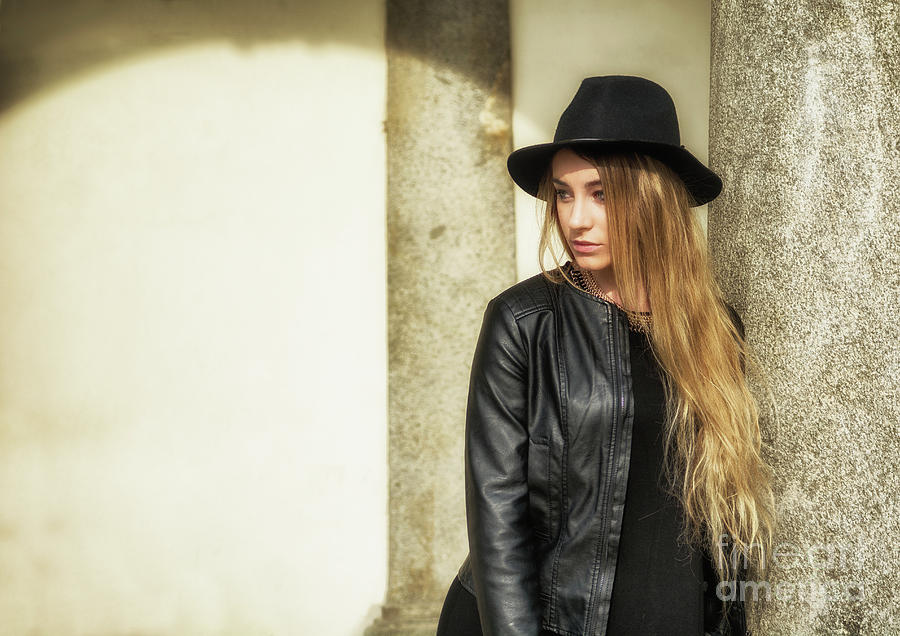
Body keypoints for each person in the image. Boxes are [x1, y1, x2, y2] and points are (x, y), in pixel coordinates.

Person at [436, 76, 777, 636]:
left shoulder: (715, 329)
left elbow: (724, 511)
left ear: (652, 198)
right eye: (563, 193)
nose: (575, 219)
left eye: (600, 193)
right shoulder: (524, 322)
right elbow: (497, 518)